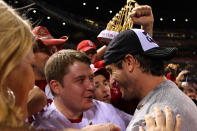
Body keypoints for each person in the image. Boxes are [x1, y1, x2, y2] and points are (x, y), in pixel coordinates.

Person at [103, 29, 197, 131]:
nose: (111, 81)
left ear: (129, 62)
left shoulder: (153, 119)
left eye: (111, 71)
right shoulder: (171, 95)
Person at [33, 49, 132, 130]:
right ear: (56, 86)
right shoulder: (42, 125)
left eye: (91, 78)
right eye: (80, 80)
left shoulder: (105, 109)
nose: (91, 87)